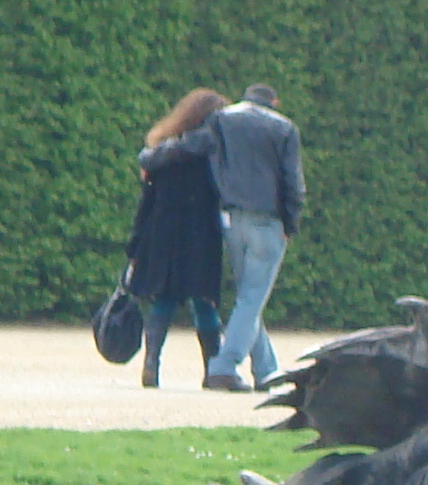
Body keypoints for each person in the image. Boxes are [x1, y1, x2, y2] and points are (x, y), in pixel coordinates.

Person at [143, 82, 304, 393]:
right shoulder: (285, 129)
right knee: (252, 297)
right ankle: (224, 366)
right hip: (267, 220)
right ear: (274, 102)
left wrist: (149, 158)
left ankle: (266, 370)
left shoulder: (222, 120)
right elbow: (292, 182)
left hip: (231, 219)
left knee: (249, 297)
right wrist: (291, 223)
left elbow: (184, 146)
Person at [124, 89, 225, 390]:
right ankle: (213, 369)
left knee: (164, 298)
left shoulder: (161, 152)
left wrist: (135, 244)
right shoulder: (215, 150)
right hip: (201, 233)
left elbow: (147, 201)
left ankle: (151, 364)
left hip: (164, 232)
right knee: (204, 301)